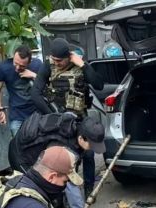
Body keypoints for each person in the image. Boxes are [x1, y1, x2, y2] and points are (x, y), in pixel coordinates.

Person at [8, 111, 106, 208]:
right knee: (41, 195)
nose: (93, 149)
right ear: (81, 138)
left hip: (39, 152)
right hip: (22, 157)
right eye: (92, 145)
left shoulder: (75, 123)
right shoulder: (64, 149)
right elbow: (71, 186)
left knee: (56, 191)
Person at [31, 38, 104, 198]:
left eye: (59, 60)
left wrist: (83, 64)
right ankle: (63, 193)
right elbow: (35, 93)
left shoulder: (79, 64)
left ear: (68, 56)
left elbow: (99, 85)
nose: (56, 63)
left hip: (80, 118)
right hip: (59, 120)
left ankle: (89, 188)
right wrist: (52, 116)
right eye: (53, 59)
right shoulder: (48, 65)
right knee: (64, 156)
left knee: (88, 154)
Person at [0, 44, 42, 135]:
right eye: (15, 63)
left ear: (30, 62)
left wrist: (34, 76)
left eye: (22, 66)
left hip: (37, 114)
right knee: (17, 146)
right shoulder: (3, 68)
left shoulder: (37, 65)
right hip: (16, 115)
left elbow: (47, 85)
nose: (17, 68)